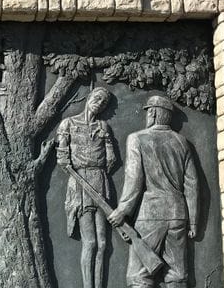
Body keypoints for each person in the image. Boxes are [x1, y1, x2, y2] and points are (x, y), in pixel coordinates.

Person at [108, 95, 199, 288]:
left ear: (155, 113)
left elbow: (134, 179)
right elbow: (192, 185)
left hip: (150, 215)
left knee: (139, 277)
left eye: (149, 111)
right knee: (177, 276)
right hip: (178, 215)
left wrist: (123, 211)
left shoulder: (137, 139)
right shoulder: (183, 142)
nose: (147, 115)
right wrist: (193, 220)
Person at [56, 87, 115, 288]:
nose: (100, 103)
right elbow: (62, 158)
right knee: (89, 243)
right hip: (79, 182)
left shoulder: (103, 127)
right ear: (89, 97)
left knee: (103, 244)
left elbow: (111, 159)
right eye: (97, 98)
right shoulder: (69, 124)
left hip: (100, 180)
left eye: (104, 103)